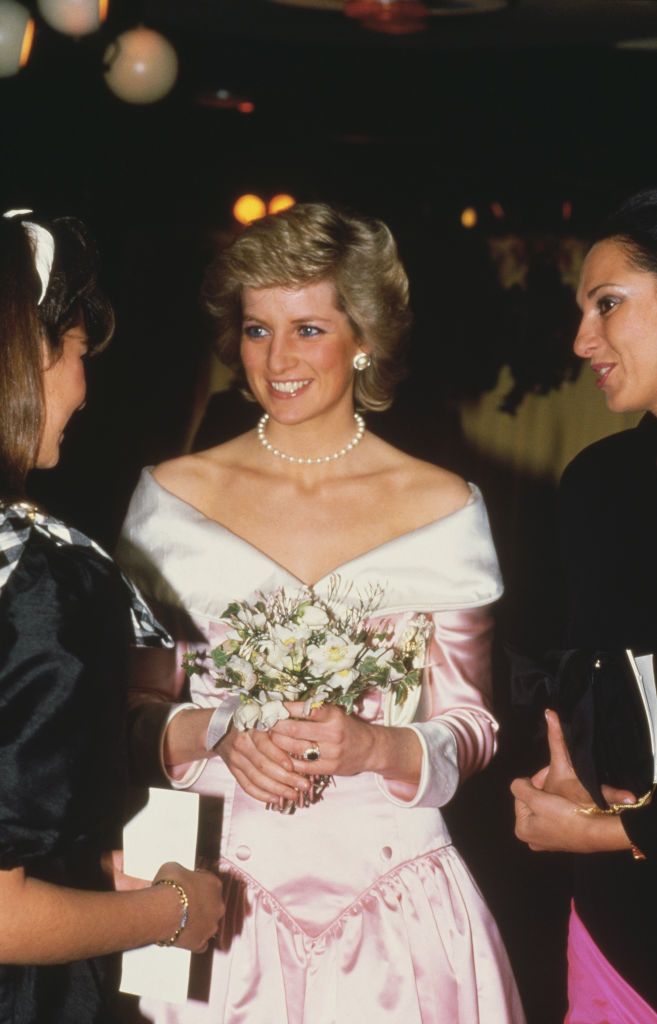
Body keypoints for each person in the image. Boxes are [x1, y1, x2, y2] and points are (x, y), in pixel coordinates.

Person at [118, 202, 525, 1023]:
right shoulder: (169, 497)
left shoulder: (442, 505)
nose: (276, 359)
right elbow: (129, 713)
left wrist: (377, 743)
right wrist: (215, 731)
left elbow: (472, 725)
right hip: (209, 892)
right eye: (256, 329)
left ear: (364, 336)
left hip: (394, 898)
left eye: (307, 328)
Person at [0, 210, 224, 1024]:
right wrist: (171, 910)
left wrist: (86, 878)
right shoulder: (39, 583)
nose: (84, 389)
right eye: (79, 354)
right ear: (27, 356)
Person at [511, 187, 657, 1022]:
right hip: (617, 920)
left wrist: (605, 833)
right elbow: (573, 670)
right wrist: (571, 779)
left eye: (608, 305)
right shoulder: (597, 485)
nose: (579, 340)